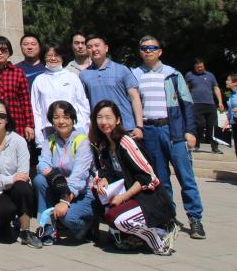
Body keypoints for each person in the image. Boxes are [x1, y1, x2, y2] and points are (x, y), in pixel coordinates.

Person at [131, 36, 205, 240]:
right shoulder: (135, 75)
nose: (148, 51)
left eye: (152, 47)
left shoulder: (172, 74)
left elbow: (187, 104)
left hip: (173, 130)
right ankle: (169, 217)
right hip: (149, 131)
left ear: (159, 51)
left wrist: (190, 131)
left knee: (186, 177)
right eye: (144, 48)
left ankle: (195, 218)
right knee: (161, 180)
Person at [90, 100, 177, 256]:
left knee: (117, 219)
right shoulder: (104, 145)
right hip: (127, 195)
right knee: (98, 196)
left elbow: (147, 177)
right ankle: (134, 237)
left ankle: (159, 236)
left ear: (118, 119)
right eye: (99, 117)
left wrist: (123, 197)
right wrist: (104, 179)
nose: (104, 122)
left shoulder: (126, 142)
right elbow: (108, 171)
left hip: (147, 197)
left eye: (108, 117)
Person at [0, 99, 40, 247]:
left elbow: (23, 173)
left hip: (16, 186)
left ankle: (25, 231)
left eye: (2, 115)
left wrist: (11, 179)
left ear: (7, 119)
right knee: (5, 211)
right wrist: (11, 178)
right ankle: (4, 224)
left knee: (24, 188)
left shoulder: (19, 141)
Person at [34, 100, 95, 244]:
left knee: (68, 218)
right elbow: (42, 163)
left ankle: (88, 225)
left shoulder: (82, 141)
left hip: (82, 190)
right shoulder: (50, 140)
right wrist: (55, 176)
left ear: (73, 119)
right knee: (39, 180)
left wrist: (65, 201)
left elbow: (79, 175)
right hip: (60, 185)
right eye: (56, 117)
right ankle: (47, 227)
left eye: (66, 117)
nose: (61, 121)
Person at [79, 34, 145, 139]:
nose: (94, 49)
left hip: (125, 127)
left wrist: (139, 126)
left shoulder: (122, 70)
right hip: (101, 129)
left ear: (106, 48)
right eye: (89, 47)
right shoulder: (83, 75)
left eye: (97, 45)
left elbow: (134, 97)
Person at [31, 44, 89, 148]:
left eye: (56, 55)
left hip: (73, 129)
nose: (53, 58)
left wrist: (83, 128)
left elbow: (82, 104)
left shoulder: (72, 77)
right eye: (49, 55)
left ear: (62, 57)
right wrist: (39, 136)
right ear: (44, 57)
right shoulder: (39, 80)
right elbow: (36, 109)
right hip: (49, 129)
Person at [0, 36, 33, 143]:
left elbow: (25, 101)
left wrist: (29, 125)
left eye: (3, 50)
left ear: (9, 53)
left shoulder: (18, 73)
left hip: (16, 122)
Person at [185, 58, 224, 154]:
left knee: (213, 126)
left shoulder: (210, 75)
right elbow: (185, 88)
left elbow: (216, 88)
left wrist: (220, 102)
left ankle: (215, 147)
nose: (200, 68)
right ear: (194, 67)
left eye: (201, 66)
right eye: (198, 67)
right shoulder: (189, 75)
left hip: (210, 104)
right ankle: (196, 145)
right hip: (196, 104)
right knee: (200, 125)